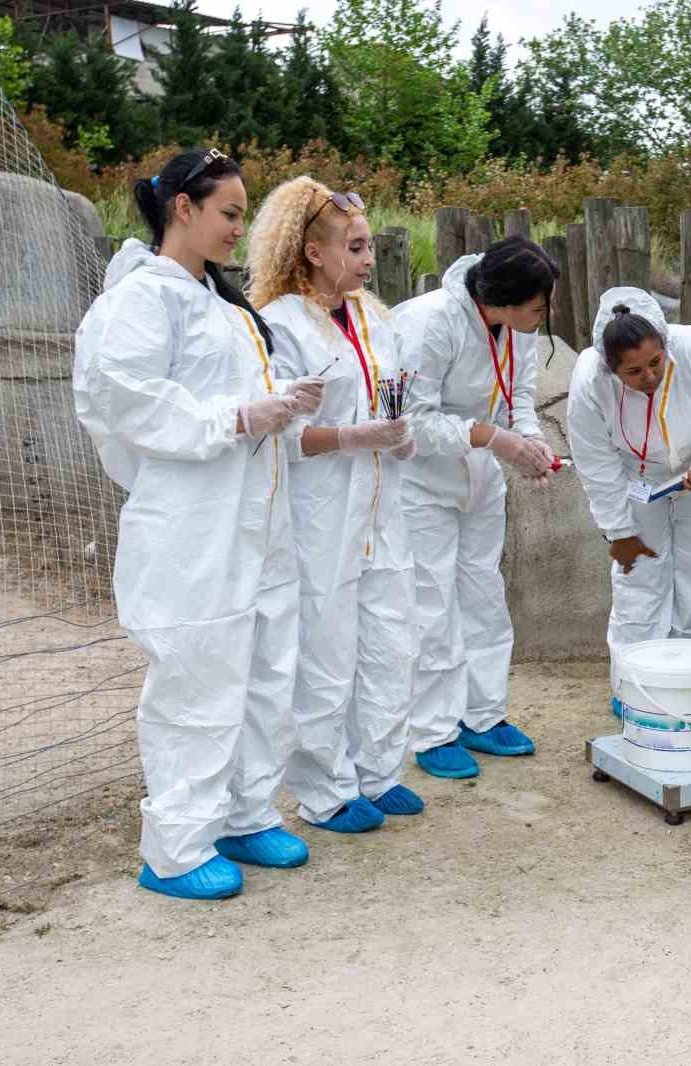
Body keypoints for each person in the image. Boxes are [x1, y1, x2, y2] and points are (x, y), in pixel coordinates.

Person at [74, 148, 323, 901]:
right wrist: (239, 416)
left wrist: (278, 398)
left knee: (263, 669)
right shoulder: (143, 299)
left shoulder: (219, 304)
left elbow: (225, 393)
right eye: (229, 213)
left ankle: (245, 811)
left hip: (255, 517)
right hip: (193, 525)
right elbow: (126, 400)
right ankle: (177, 848)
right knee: (197, 680)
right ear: (182, 208)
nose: (238, 230)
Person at [249, 177, 427, 832]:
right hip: (321, 512)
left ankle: (378, 771)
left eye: (369, 245)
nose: (367, 259)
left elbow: (393, 394)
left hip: (381, 506)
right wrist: (355, 436)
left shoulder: (374, 318)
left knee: (389, 640)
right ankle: (325, 790)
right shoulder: (282, 325)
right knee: (325, 652)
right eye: (354, 247)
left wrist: (397, 434)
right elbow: (281, 435)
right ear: (313, 251)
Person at [390, 237, 559, 779]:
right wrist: (494, 438)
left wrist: (530, 447)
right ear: (505, 298)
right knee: (431, 603)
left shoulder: (517, 329)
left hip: (481, 476)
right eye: (538, 305)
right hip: (421, 482)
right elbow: (408, 421)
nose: (545, 314)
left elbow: (520, 397)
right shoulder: (430, 323)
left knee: (484, 594)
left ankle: (482, 715)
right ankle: (433, 731)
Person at [565, 288, 691, 713]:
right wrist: (619, 531)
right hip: (635, 482)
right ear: (610, 368)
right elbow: (596, 464)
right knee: (639, 582)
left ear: (665, 344)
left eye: (655, 363)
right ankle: (632, 688)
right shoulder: (588, 380)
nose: (649, 376)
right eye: (633, 372)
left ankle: (682, 685)